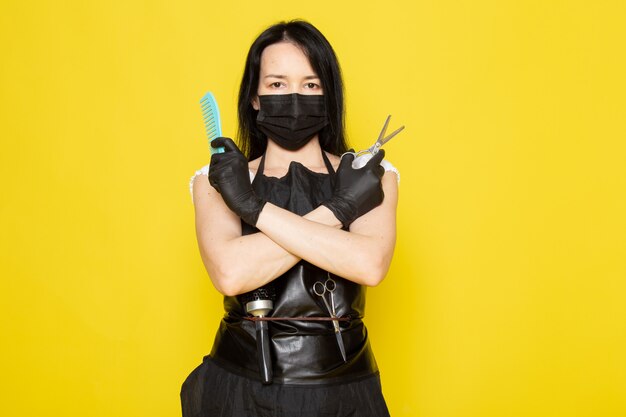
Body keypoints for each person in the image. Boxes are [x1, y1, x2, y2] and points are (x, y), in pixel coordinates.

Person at [182, 19, 399, 417]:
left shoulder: (369, 177)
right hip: (240, 392)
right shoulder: (217, 180)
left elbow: (369, 264)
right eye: (277, 84)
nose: (294, 96)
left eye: (310, 85)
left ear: (328, 95)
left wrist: (253, 210)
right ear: (255, 97)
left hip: (344, 395)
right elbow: (231, 274)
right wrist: (341, 211)